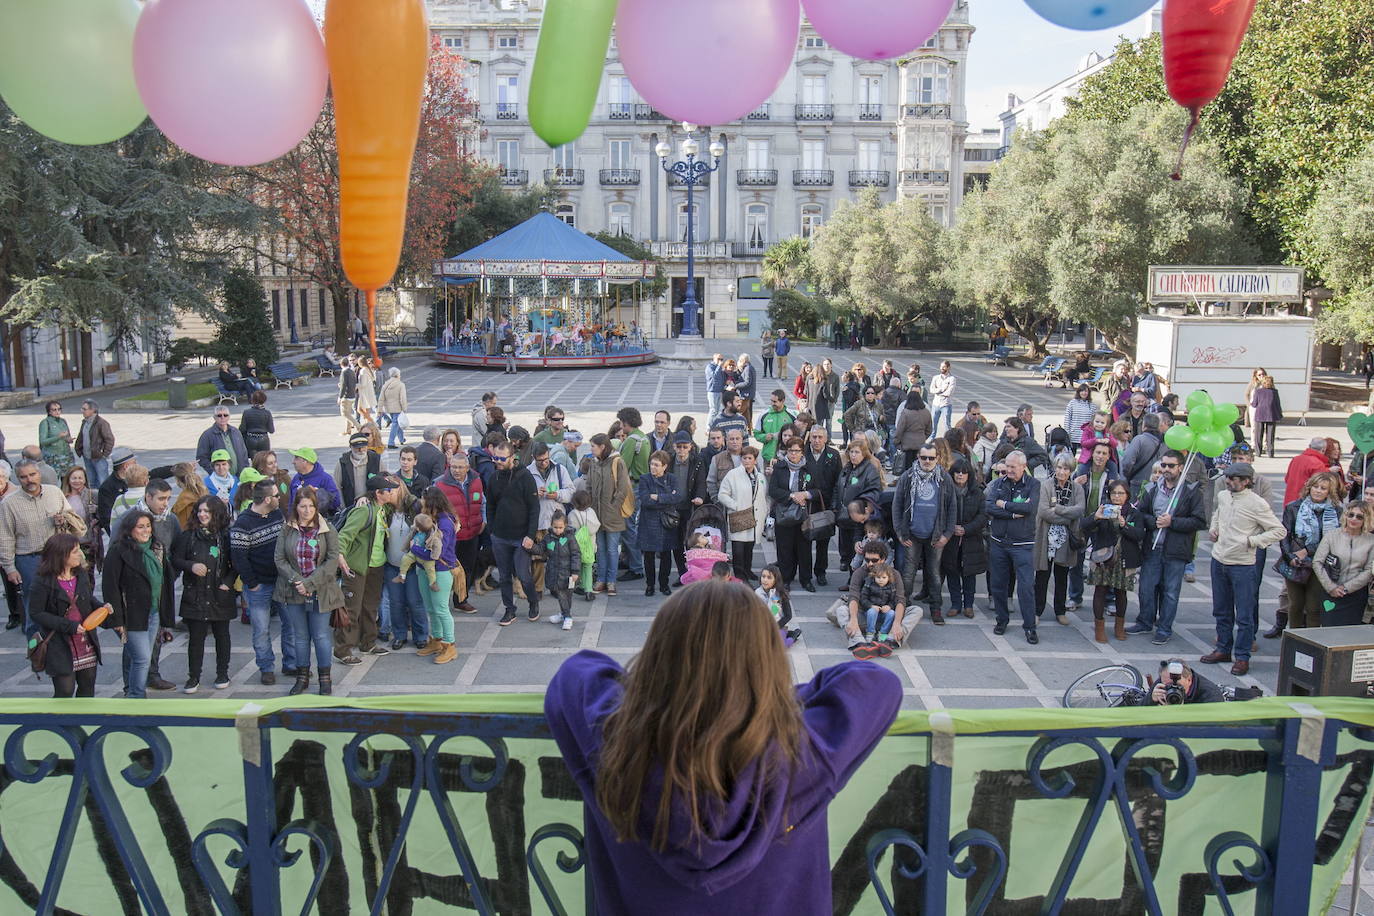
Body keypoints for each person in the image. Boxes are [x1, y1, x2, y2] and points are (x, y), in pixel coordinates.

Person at [544, 580, 900, 915]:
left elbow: (578, 671)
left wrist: (655, 698)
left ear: (657, 657)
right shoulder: (800, 752)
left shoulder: (615, 742)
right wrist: (769, 706)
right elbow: (876, 683)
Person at [1203, 463, 1284, 676]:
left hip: (1243, 565)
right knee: (1221, 610)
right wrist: (1214, 528)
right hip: (1219, 559)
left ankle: (1242, 657)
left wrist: (1251, 541)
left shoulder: (1257, 503)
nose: (1229, 482)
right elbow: (1217, 514)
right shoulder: (1223, 495)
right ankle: (1223, 649)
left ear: (1246, 481)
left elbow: (1278, 530)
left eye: (1234, 479)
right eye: (1228, 478)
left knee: (1245, 615)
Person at [0, 458, 87, 634]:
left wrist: (64, 518)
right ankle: (37, 651)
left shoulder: (54, 492)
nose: (29, 480)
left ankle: (66, 643)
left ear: (39, 474)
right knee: (34, 606)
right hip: (29, 560)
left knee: (65, 601)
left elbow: (74, 520)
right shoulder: (9, 504)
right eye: (23, 477)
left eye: (32, 474)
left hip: (58, 556)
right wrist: (9, 568)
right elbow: (5, 537)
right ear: (17, 479)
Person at [272, 485, 342, 695]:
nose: (307, 510)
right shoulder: (287, 529)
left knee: (320, 636)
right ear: (296, 507)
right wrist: (296, 581)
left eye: (311, 506)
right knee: (300, 636)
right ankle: (302, 677)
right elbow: (279, 559)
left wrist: (309, 583)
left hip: (320, 590)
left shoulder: (327, 528)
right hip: (293, 590)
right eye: (303, 506)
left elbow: (331, 561)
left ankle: (325, 678)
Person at [103, 509, 174, 699]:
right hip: (131, 614)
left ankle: (130, 690)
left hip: (153, 612)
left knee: (139, 656)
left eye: (148, 526)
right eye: (140, 527)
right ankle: (136, 695)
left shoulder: (157, 548)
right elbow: (110, 588)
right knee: (142, 658)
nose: (145, 531)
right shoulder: (118, 551)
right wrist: (116, 620)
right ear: (130, 530)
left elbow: (165, 581)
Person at [171, 496, 237, 693]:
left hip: (219, 593)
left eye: (207, 511)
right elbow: (176, 559)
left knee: (222, 635)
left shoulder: (226, 536)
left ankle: (222, 672)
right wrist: (191, 565)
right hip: (196, 594)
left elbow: (235, 565)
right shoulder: (188, 536)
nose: (202, 515)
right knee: (196, 638)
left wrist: (227, 583)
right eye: (200, 511)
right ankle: (193, 676)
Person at [333, 475, 400, 663]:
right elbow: (345, 535)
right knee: (351, 609)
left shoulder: (383, 508)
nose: (392, 493)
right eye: (388, 490)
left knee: (370, 607)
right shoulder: (363, 511)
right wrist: (340, 556)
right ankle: (343, 650)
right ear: (378, 493)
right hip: (357, 567)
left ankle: (367, 642)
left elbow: (406, 500)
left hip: (377, 566)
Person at [29, 533, 102, 698]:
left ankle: (81, 722)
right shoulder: (42, 581)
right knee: (65, 691)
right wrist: (70, 626)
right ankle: (64, 724)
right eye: (75, 551)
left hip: (85, 643)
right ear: (61, 555)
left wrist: (103, 609)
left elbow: (88, 600)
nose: (80, 555)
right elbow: (36, 613)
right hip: (60, 645)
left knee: (87, 689)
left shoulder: (81, 575)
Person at [892, 444, 955, 624]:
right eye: (924, 457)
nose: (927, 461)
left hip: (935, 535)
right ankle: (904, 606)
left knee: (934, 573)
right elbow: (897, 506)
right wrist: (899, 532)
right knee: (908, 573)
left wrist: (947, 534)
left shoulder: (944, 479)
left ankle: (936, 609)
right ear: (918, 457)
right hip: (912, 534)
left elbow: (952, 508)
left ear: (937, 459)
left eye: (931, 458)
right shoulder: (907, 477)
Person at [1277, 471, 1345, 629]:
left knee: (1313, 608)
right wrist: (1289, 557)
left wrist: (1308, 549)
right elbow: (1285, 535)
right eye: (1315, 486)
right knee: (1295, 605)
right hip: (1296, 563)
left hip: (1319, 564)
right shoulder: (1294, 507)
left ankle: (1311, 644)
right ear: (1309, 487)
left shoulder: (1336, 511)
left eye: (1323, 488)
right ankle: (1294, 641)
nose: (1318, 490)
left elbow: (1333, 540)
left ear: (1330, 492)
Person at [1080, 479, 1145, 642]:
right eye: (1114, 493)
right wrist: (1096, 517)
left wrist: (1125, 525)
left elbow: (1139, 535)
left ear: (1127, 495)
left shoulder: (1134, 512)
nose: (1117, 496)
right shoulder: (1103, 509)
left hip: (1124, 558)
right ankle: (1099, 628)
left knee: (1121, 592)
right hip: (1103, 557)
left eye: (1121, 493)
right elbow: (1083, 525)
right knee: (1100, 590)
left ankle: (1119, 627)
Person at [986, 451, 1040, 642]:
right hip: (999, 543)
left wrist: (1004, 505)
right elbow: (989, 506)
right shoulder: (999, 484)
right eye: (1007, 466)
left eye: (1012, 467)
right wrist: (1011, 513)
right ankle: (1002, 620)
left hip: (1023, 544)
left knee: (1026, 587)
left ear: (1023, 466)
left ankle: (1030, 627)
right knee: (998, 585)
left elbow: (1030, 509)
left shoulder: (1033, 484)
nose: (1008, 470)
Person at [487, 439, 541, 625]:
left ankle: (534, 602)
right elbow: (491, 506)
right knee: (503, 577)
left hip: (521, 537)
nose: (498, 461)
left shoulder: (525, 476)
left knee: (523, 575)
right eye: (496, 458)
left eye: (502, 458)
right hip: (500, 536)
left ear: (512, 457)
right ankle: (509, 609)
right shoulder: (493, 478)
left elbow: (534, 508)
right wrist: (492, 529)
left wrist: (530, 535)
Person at [1033, 456, 1085, 627]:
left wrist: (1060, 509)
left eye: (1066, 469)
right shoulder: (1046, 485)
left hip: (1066, 538)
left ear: (1071, 471)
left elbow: (1079, 510)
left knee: (1062, 576)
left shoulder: (1077, 488)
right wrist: (1067, 516)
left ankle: (1060, 610)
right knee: (1042, 575)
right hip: (1046, 536)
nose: (1062, 472)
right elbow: (1044, 511)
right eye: (1060, 467)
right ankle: (1036, 610)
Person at [410, 487, 459, 663]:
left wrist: (414, 548)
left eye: (423, 500)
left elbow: (437, 553)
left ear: (430, 502)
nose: (420, 503)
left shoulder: (445, 523)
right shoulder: (432, 519)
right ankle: (437, 640)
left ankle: (449, 645)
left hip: (440, 570)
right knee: (431, 609)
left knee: (441, 610)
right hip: (424, 570)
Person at [1311, 501, 1374, 628]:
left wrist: (1346, 588)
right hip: (1330, 592)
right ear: (1345, 515)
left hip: (1356, 595)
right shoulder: (1331, 536)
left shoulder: (1371, 540)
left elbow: (1369, 569)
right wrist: (1331, 587)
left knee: (1350, 634)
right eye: (1351, 515)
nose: (1354, 519)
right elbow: (1317, 562)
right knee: (1329, 630)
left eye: (1359, 516)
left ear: (1366, 519)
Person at [769, 440, 819, 592]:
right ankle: (785, 578)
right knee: (784, 548)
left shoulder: (809, 468)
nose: (793, 454)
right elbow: (773, 490)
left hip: (803, 515)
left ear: (802, 452)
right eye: (791, 451)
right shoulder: (780, 467)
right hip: (784, 514)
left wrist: (805, 494)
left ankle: (806, 579)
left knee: (804, 548)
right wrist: (791, 495)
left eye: (797, 451)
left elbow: (818, 490)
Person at [939, 459, 985, 619]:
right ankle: (955, 604)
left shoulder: (977, 492)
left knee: (969, 574)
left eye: (963, 472)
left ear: (969, 475)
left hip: (970, 539)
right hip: (950, 539)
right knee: (952, 571)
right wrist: (951, 528)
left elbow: (983, 516)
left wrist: (966, 529)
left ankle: (968, 605)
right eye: (957, 471)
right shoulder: (945, 491)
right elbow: (941, 514)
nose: (960, 474)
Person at [833, 439, 883, 575]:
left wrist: (864, 505)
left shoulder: (870, 469)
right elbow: (837, 488)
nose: (853, 455)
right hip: (844, 515)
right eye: (851, 452)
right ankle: (851, 581)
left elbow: (875, 490)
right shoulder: (847, 468)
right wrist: (835, 507)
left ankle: (857, 583)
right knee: (847, 551)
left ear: (864, 454)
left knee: (859, 551)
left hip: (859, 517)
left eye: (857, 452)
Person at [718, 446, 768, 582]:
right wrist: (735, 506)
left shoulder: (760, 477)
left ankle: (747, 570)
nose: (746, 461)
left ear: (755, 460)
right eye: (744, 458)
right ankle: (740, 575)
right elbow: (722, 494)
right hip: (739, 516)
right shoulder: (733, 474)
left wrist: (765, 512)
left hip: (755, 517)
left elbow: (764, 496)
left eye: (749, 458)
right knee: (738, 549)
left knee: (749, 548)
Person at [635, 451, 681, 596]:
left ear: (665, 466)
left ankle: (664, 584)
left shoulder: (672, 478)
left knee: (666, 555)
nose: (653, 467)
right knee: (648, 556)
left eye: (656, 465)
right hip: (648, 523)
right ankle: (650, 585)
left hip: (666, 523)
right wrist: (666, 498)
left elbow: (678, 497)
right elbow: (645, 500)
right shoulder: (644, 478)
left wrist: (657, 497)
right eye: (651, 464)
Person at [803, 427, 841, 585]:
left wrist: (834, 505)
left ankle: (820, 572)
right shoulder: (803, 453)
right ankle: (805, 573)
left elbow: (838, 482)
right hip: (806, 505)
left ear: (826, 439)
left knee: (823, 541)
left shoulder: (834, 455)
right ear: (810, 438)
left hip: (825, 505)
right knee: (805, 541)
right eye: (814, 437)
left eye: (820, 437)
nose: (817, 440)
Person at [1123, 659, 1227, 706]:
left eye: (1178, 686)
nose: (1173, 688)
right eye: (1168, 686)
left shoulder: (1210, 694)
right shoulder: (1162, 683)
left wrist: (1180, 712)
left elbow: (1211, 728)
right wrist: (1150, 700)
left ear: (1189, 679)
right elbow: (1139, 712)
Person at [1118, 412, 1166, 496]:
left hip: (1137, 483)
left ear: (1144, 425)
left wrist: (1128, 475)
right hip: (1159, 484)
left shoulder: (1139, 440)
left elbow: (1127, 461)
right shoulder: (1164, 443)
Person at [288, 447, 342, 517]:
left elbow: (336, 502)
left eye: (296, 458)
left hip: (319, 523)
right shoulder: (296, 478)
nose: (293, 462)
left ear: (305, 461)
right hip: (297, 523)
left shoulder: (325, 479)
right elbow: (291, 503)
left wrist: (318, 494)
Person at [196, 408, 250, 476]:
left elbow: (244, 453)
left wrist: (245, 470)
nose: (222, 417)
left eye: (225, 415)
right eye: (219, 415)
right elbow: (201, 457)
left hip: (239, 477)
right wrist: (214, 472)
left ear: (229, 416)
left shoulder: (236, 432)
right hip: (220, 479)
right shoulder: (207, 435)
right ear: (214, 417)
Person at [73, 399, 115, 487]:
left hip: (98, 458)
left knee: (102, 481)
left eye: (84, 409)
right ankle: (93, 499)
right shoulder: (85, 422)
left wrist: (104, 454)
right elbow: (82, 436)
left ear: (92, 410)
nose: (82, 411)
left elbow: (109, 439)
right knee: (91, 481)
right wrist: (79, 449)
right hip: (87, 456)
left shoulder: (101, 423)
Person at [893, 390, 933, 474]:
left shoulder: (906, 413)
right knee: (919, 467)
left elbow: (899, 429)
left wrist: (896, 442)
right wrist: (923, 437)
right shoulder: (926, 412)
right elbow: (929, 429)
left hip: (907, 445)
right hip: (920, 444)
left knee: (908, 469)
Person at [1285, 437, 1331, 504]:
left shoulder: (1296, 459)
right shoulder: (1318, 464)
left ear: (1309, 446)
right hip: (1305, 503)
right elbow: (1320, 487)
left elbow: (1287, 479)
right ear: (1323, 450)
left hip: (1289, 500)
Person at [755, 390, 794, 467]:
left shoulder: (792, 415)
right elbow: (756, 434)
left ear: (783, 401)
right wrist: (764, 437)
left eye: (775, 401)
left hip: (786, 459)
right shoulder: (764, 415)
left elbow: (798, 436)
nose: (772, 404)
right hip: (769, 458)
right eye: (771, 401)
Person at [38, 400, 76, 478]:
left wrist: (69, 440)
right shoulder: (45, 422)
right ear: (49, 411)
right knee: (53, 479)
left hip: (66, 456)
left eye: (59, 409)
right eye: (54, 410)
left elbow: (66, 436)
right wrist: (58, 437)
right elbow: (42, 442)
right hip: (53, 457)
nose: (57, 411)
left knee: (68, 479)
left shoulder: (63, 421)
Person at [1250, 375, 1282, 457]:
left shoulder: (1258, 391)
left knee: (1258, 434)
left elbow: (1254, 404)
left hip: (1260, 414)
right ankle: (1270, 452)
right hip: (1271, 415)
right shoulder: (1275, 392)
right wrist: (1280, 415)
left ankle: (1258, 452)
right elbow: (1278, 404)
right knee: (1270, 435)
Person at [378, 367, 408, 449]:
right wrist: (404, 408)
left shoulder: (386, 384)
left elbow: (381, 397)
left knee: (397, 423)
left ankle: (402, 439)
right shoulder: (401, 384)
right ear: (397, 375)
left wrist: (379, 409)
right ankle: (391, 442)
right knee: (395, 424)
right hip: (398, 407)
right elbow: (403, 398)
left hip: (389, 408)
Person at [928, 361, 956, 437]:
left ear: (948, 368)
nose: (942, 368)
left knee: (947, 425)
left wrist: (938, 393)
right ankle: (931, 441)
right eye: (941, 367)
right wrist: (941, 389)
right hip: (936, 404)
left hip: (946, 405)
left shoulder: (952, 379)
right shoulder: (935, 378)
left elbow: (949, 393)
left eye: (944, 367)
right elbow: (931, 390)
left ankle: (948, 441)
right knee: (933, 425)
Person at [338, 356, 359, 435]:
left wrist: (340, 397)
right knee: (349, 413)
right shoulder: (351, 371)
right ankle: (348, 430)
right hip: (352, 394)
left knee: (345, 414)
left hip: (346, 396)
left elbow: (343, 386)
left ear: (341, 364)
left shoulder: (344, 372)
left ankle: (358, 426)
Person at [705, 353, 727, 425]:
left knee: (718, 410)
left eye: (721, 359)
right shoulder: (709, 367)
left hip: (719, 391)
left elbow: (722, 378)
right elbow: (714, 376)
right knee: (713, 410)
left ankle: (715, 424)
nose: (720, 361)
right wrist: (719, 366)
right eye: (718, 359)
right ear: (714, 359)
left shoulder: (720, 367)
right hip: (713, 391)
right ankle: (709, 426)